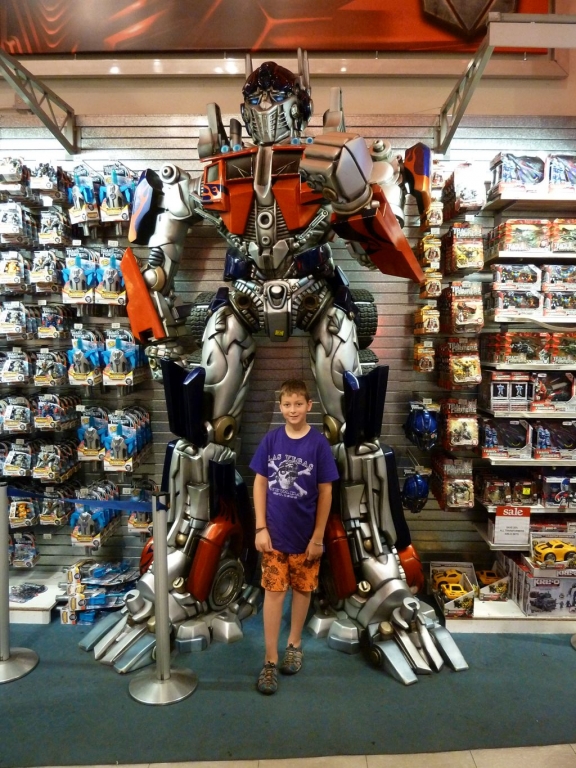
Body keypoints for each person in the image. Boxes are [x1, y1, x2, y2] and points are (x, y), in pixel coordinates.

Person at [249, 378, 339, 695]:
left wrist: (318, 537)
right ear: (280, 407)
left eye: (298, 404)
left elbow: (326, 492)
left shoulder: (318, 445)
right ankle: (270, 659)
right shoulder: (271, 440)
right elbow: (260, 483)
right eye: (287, 404)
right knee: (273, 594)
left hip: (305, 539)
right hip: (273, 537)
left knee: (302, 590)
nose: (292, 410)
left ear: (309, 406)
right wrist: (260, 527)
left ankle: (294, 644)